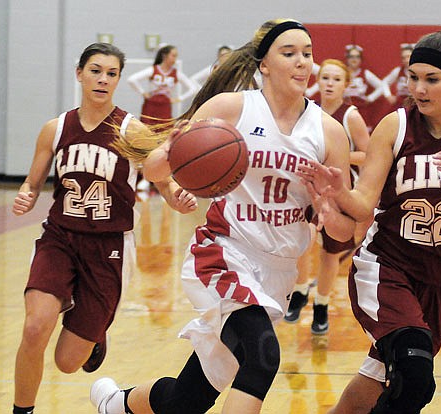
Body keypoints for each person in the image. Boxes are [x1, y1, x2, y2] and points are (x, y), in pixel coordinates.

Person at [90, 18, 355, 414]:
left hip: (278, 272)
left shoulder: (329, 132)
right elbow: (156, 169)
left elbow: (345, 230)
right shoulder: (233, 108)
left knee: (188, 399)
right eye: (289, 53)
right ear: (263, 64)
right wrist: (175, 149)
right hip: (224, 253)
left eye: (307, 54)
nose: (302, 63)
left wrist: (328, 209)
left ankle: (118, 405)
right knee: (263, 359)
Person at [298, 29, 441, 413]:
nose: (419, 89)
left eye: (432, 79)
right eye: (413, 77)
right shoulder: (395, 126)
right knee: (414, 376)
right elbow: (364, 203)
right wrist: (338, 191)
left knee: (378, 384)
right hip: (386, 266)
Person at [10, 42, 198, 414]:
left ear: (118, 81)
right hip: (60, 239)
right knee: (34, 329)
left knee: (67, 361)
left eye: (111, 73)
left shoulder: (133, 130)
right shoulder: (56, 128)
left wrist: (178, 197)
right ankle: (22, 410)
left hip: (108, 247)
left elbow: (164, 182)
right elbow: (33, 182)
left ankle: (95, 334)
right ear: (79, 74)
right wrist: (25, 195)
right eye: (95, 70)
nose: (103, 79)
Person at [285, 59, 370, 335]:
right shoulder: (305, 108)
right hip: (307, 185)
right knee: (302, 241)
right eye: (325, 78)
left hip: (338, 190)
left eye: (336, 79)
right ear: (317, 81)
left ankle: (321, 304)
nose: (330, 84)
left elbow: (368, 155)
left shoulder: (350, 116)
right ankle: (298, 291)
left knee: (330, 252)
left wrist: (336, 158)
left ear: (346, 85)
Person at [127, 44, 198, 125]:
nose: (175, 59)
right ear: (165, 56)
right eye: (173, 56)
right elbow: (132, 79)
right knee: (146, 131)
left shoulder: (176, 73)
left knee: (164, 131)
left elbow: (193, 88)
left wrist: (180, 98)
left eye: (176, 56)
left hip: (165, 106)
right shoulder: (153, 70)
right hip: (150, 106)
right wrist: (142, 92)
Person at [382, 43, 414, 110]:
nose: (406, 60)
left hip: (415, 102)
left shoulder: (420, 71)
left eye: (408, 56)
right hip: (401, 103)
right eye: (403, 58)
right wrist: (388, 95)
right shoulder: (398, 71)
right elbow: (385, 82)